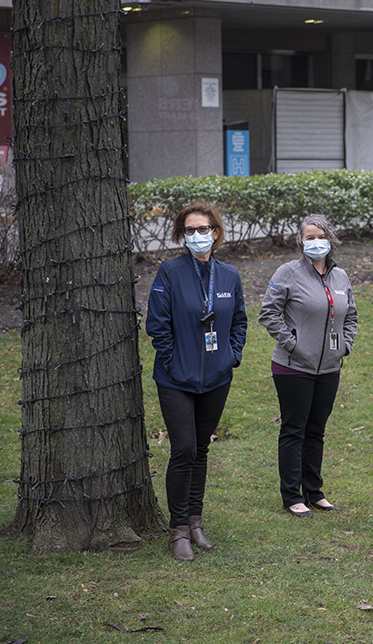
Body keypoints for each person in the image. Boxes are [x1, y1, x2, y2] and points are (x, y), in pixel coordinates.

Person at [146, 202, 247, 562]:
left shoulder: (230, 275)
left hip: (216, 378)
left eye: (203, 229)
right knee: (184, 448)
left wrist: (231, 355)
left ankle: (195, 520)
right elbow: (157, 325)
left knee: (201, 448)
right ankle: (178, 530)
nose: (197, 236)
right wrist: (173, 360)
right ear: (182, 235)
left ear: (215, 232)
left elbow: (238, 321)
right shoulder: (169, 272)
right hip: (176, 377)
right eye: (190, 230)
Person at [258, 214, 358, 518]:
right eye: (309, 237)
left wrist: (345, 346)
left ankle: (314, 492)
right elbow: (268, 314)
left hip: (329, 368)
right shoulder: (288, 273)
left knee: (316, 430)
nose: (315, 242)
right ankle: (292, 495)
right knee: (294, 429)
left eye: (320, 236)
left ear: (331, 239)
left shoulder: (340, 277)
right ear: (301, 241)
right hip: (292, 367)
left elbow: (350, 315)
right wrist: (292, 343)